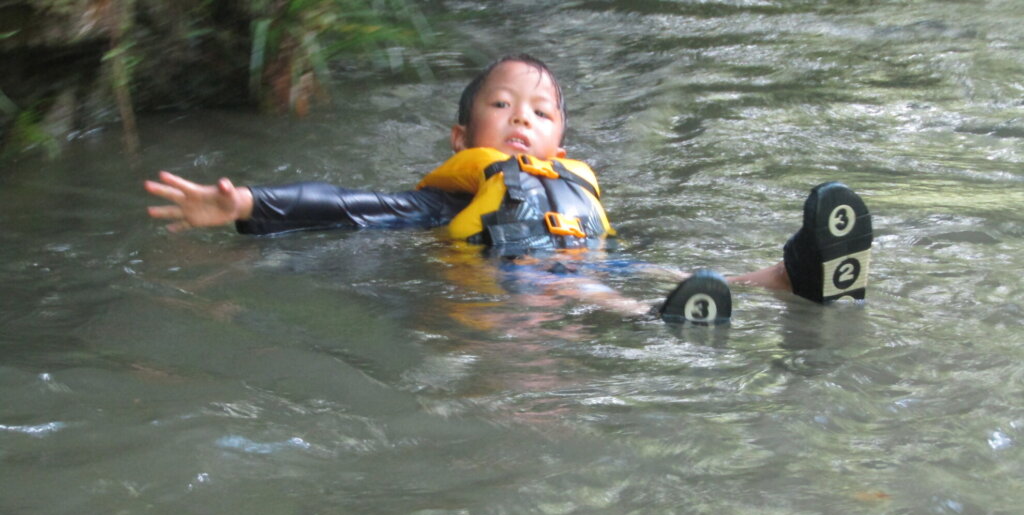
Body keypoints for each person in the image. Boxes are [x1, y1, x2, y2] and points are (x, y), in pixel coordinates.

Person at [145, 54, 872, 325]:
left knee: (652, 264)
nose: (522, 118)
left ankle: (791, 279)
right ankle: (655, 320)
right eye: (502, 105)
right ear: (462, 138)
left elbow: (605, 245)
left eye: (541, 112)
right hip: (505, 291)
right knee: (575, 284)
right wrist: (248, 205)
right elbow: (351, 206)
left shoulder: (572, 193)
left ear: (562, 145)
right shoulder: (454, 198)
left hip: (587, 263)